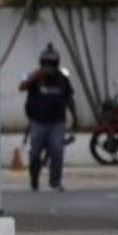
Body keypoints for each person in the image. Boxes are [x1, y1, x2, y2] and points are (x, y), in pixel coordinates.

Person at [20, 44, 78, 192]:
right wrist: (36, 76)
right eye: (46, 63)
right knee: (34, 153)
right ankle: (34, 179)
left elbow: (69, 98)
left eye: (51, 64)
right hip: (38, 121)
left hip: (57, 122)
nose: (49, 67)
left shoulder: (63, 79)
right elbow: (21, 86)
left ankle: (55, 182)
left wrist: (75, 117)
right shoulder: (34, 76)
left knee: (57, 151)